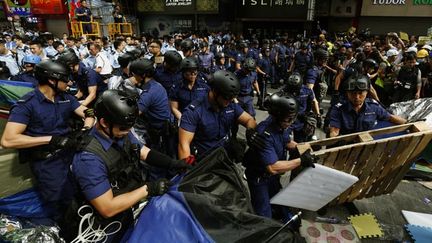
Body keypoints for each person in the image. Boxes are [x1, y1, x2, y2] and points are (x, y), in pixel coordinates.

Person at [64, 89, 190, 242]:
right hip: (102, 226)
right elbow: (107, 208)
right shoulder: (89, 159)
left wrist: (173, 163)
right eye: (124, 128)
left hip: (125, 206)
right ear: (104, 122)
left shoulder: (118, 131)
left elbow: (143, 152)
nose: (128, 131)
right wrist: (148, 189)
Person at [1, 60, 95, 222]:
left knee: (84, 191)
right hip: (48, 162)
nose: (69, 82)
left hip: (70, 153)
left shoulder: (65, 98)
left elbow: (89, 112)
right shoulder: (27, 104)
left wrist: (85, 129)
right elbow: (8, 140)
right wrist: (52, 140)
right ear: (52, 81)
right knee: (63, 204)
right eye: (65, 79)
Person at [243, 93, 317, 222]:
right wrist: (301, 160)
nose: (291, 122)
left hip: (272, 179)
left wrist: (304, 149)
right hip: (260, 178)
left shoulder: (282, 125)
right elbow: (273, 167)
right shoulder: (265, 134)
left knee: (281, 207)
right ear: (277, 116)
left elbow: (287, 142)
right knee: (264, 217)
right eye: (288, 119)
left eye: (292, 119)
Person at [178, 70, 264, 160]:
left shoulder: (229, 105)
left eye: (232, 98)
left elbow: (249, 120)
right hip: (204, 161)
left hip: (224, 155)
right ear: (215, 92)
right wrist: (188, 170)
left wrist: (250, 131)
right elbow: (184, 145)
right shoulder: (194, 112)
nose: (230, 101)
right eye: (227, 98)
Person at [329, 74, 407, 137]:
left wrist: (409, 125)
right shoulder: (338, 109)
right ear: (347, 93)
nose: (356, 97)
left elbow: (391, 118)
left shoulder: (373, 107)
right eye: (353, 93)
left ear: (366, 92)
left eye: (360, 93)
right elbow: (334, 131)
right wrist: (334, 138)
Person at [169, 57, 210, 122]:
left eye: (195, 71)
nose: (193, 74)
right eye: (189, 71)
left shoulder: (204, 86)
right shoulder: (176, 87)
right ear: (183, 72)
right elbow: (174, 108)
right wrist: (184, 120)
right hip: (184, 119)